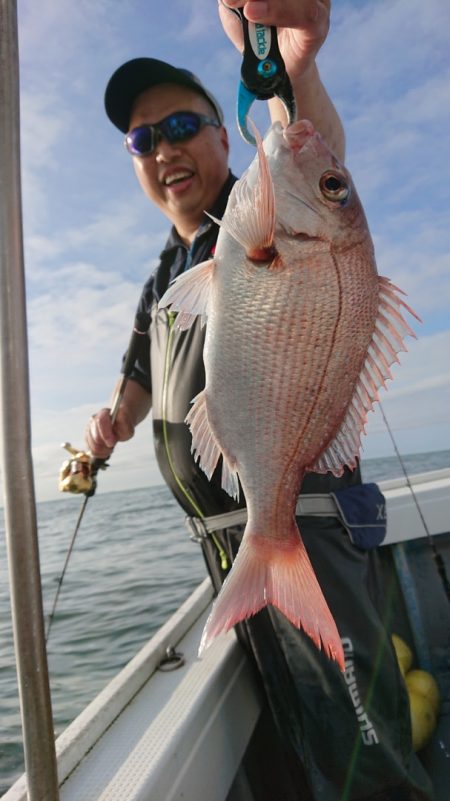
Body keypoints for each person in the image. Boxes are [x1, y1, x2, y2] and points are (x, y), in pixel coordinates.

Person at [85, 2, 434, 799]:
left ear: (223, 134)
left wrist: (292, 72)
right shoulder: (164, 275)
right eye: (143, 139)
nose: (164, 148)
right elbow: (137, 379)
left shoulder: (255, 212)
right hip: (231, 550)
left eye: (181, 125)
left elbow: (318, 154)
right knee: (299, 748)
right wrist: (111, 423)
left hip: (306, 527)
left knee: (363, 761)